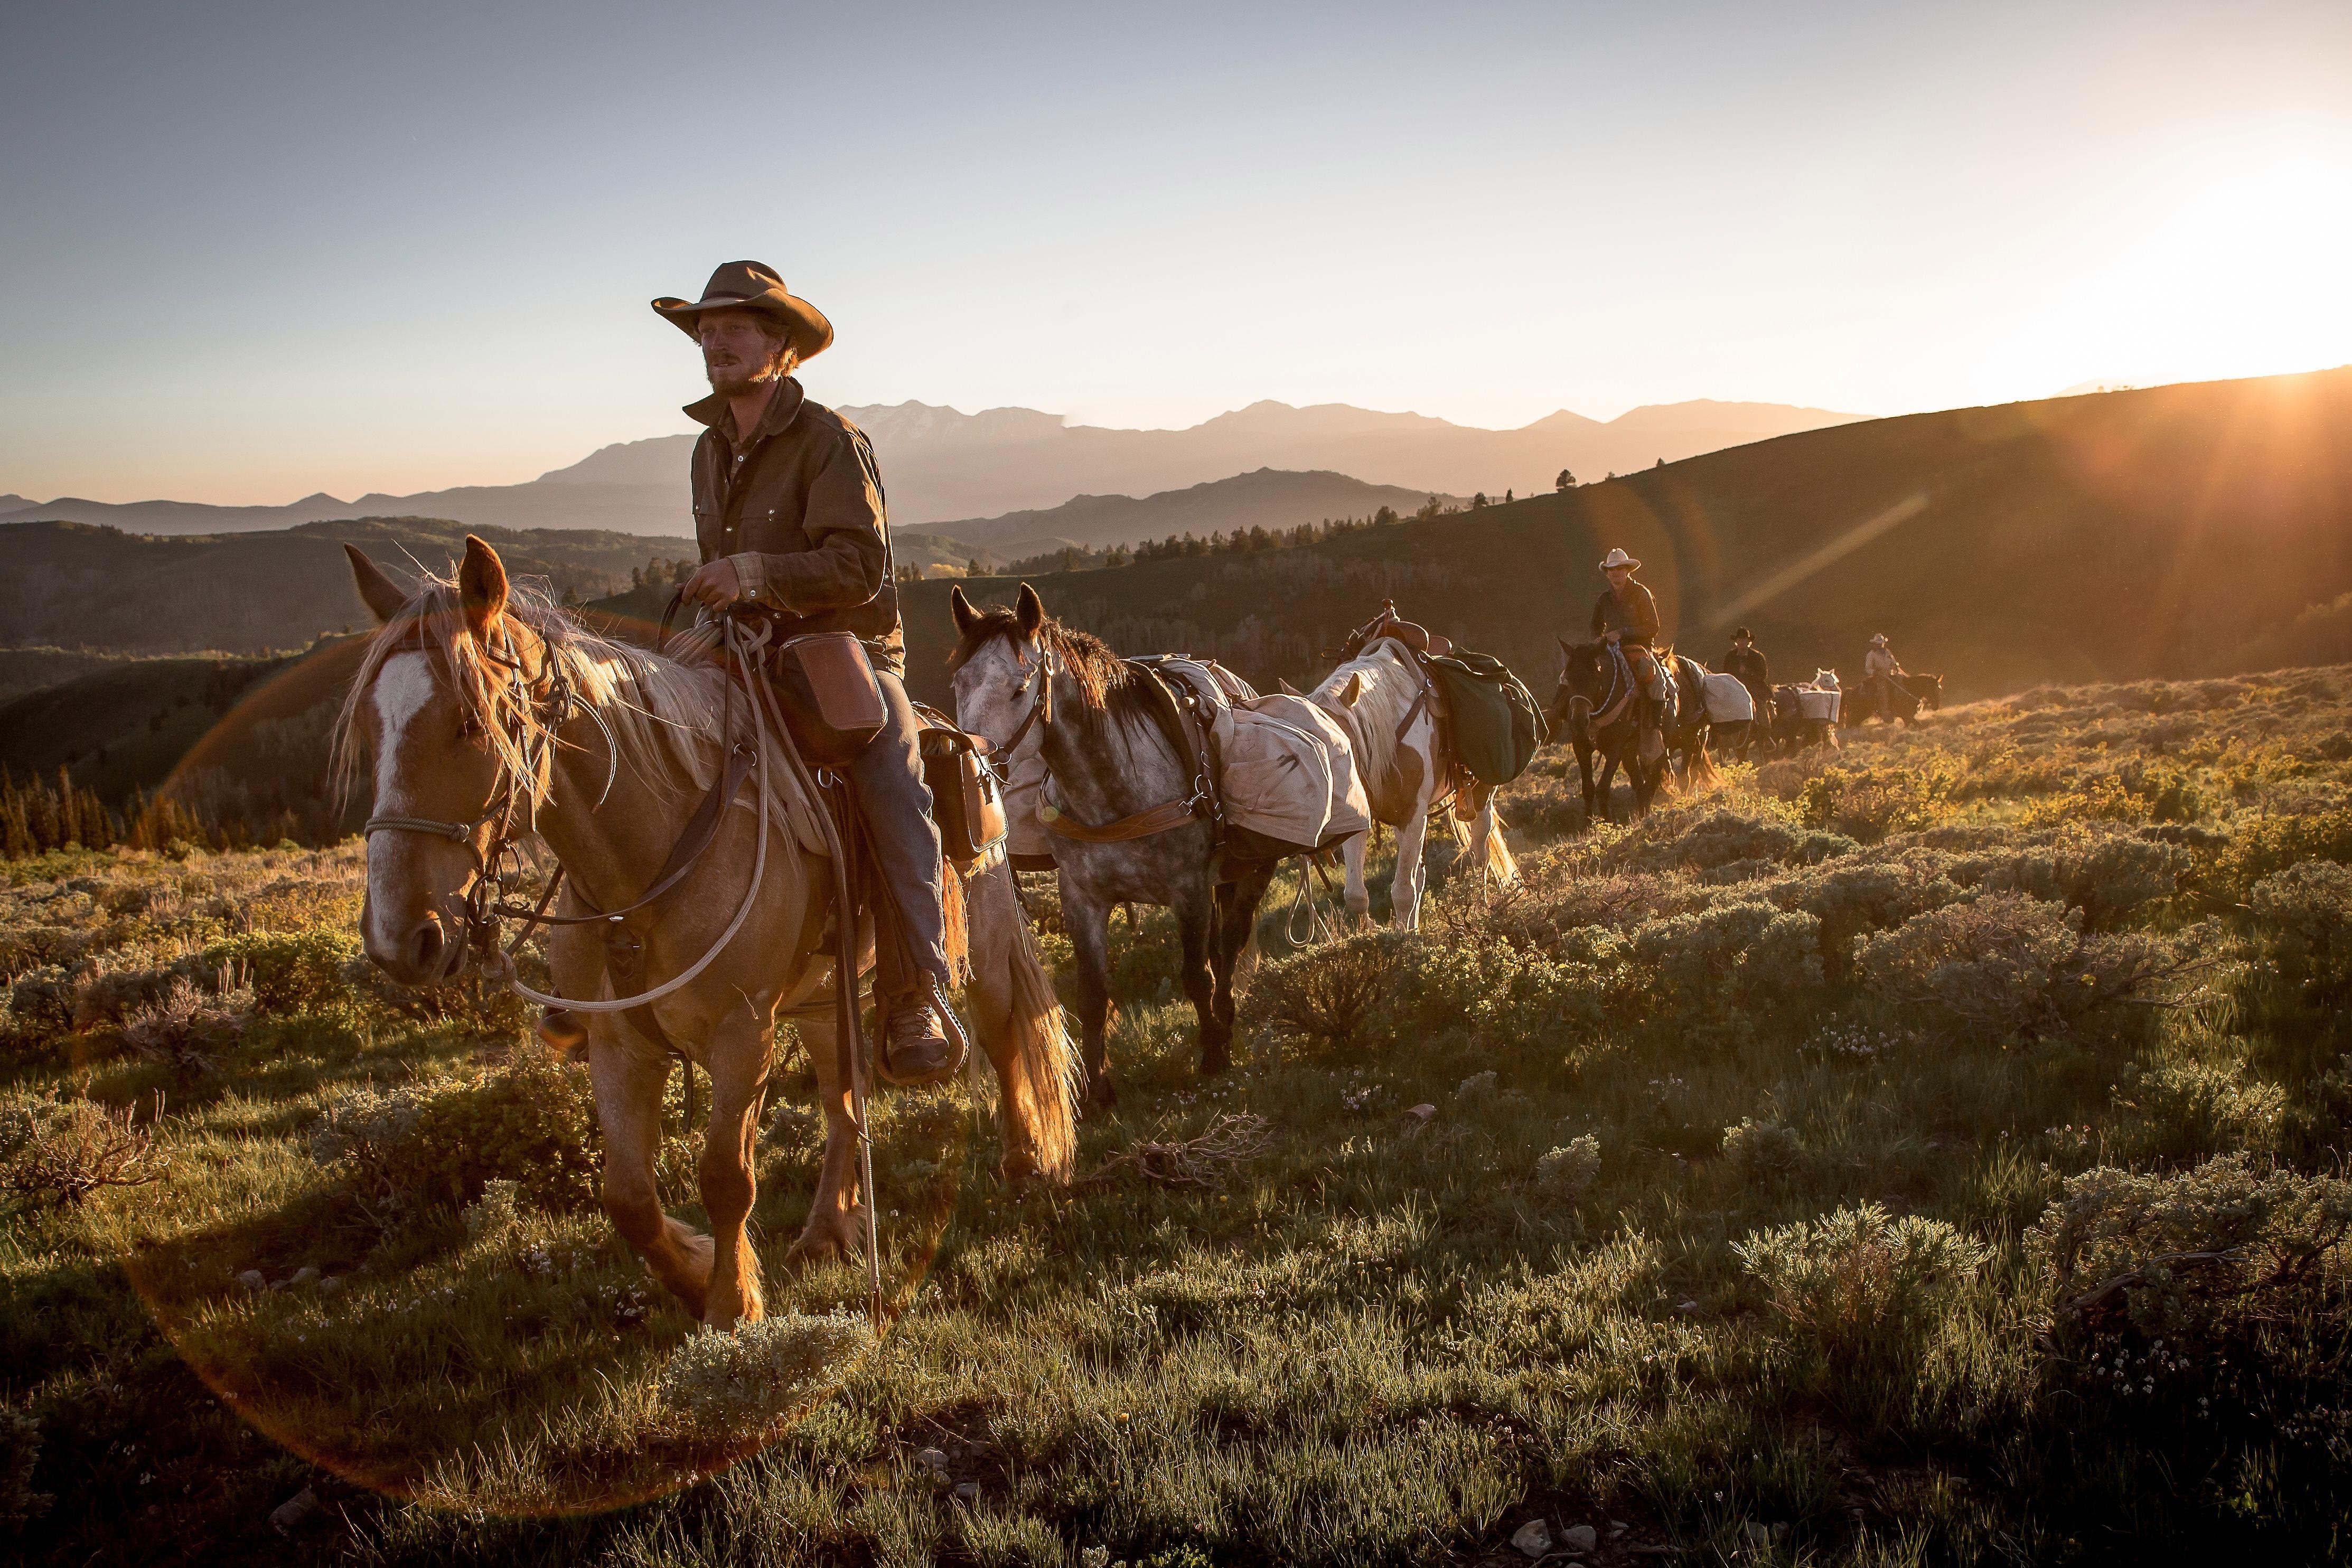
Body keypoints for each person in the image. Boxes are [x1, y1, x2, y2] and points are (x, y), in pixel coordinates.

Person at [652, 259, 957, 1085]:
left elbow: (860, 566)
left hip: (843, 647)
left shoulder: (828, 440)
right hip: (740, 648)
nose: (714, 341)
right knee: (627, 735)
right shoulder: (706, 450)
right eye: (705, 331)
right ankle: (610, 956)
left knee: (890, 766)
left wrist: (753, 573)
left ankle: (913, 988)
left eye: (734, 328)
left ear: (780, 346)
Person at [1589, 547, 1671, 758]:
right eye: (1611, 570)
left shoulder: (1642, 593)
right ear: (1607, 573)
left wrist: (1623, 632)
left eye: (1620, 569)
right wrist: (1599, 639)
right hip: (1611, 650)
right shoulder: (1604, 599)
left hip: (1640, 647)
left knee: (1655, 680)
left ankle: (1655, 726)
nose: (1616, 573)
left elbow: (1653, 627)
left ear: (1628, 571)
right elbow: (1595, 625)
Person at [1864, 633, 1907, 722]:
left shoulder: (1887, 652)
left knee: (1903, 684)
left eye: (1882, 644)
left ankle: (1904, 707)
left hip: (1891, 675)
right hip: (1880, 678)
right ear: (1875, 645)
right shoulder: (1871, 655)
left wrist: (1896, 666)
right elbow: (1868, 669)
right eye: (1879, 644)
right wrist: (1875, 672)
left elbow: (1894, 662)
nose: (1881, 646)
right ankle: (1885, 713)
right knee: (1884, 691)